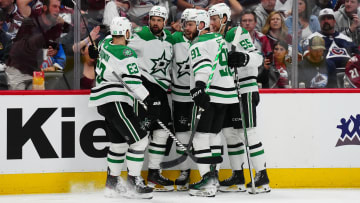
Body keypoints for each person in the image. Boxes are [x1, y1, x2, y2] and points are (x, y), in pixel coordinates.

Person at [88, 17, 157, 199]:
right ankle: (134, 183)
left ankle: (112, 184)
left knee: (118, 144)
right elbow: (133, 82)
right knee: (140, 141)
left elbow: (95, 49)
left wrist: (91, 49)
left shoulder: (104, 44)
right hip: (116, 100)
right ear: (127, 33)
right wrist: (149, 100)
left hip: (102, 102)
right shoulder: (126, 52)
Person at [186, 8, 238, 197]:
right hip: (226, 93)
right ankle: (214, 177)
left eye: (190, 24)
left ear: (201, 25)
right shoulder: (219, 39)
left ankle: (207, 181)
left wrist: (199, 87)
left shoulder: (199, 41)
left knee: (200, 137)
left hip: (210, 93)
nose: (186, 28)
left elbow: (204, 66)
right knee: (214, 135)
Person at [223, 7, 270, 194]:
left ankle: (262, 175)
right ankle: (238, 175)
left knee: (248, 132)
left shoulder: (237, 33)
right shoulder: (215, 38)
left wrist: (243, 58)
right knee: (230, 134)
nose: (211, 22)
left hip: (246, 89)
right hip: (230, 91)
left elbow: (257, 57)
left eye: (215, 18)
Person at [127, 5, 175, 191]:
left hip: (162, 89)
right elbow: (119, 43)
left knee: (162, 131)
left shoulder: (170, 39)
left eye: (159, 20)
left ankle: (154, 172)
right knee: (142, 132)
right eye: (152, 19)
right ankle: (135, 176)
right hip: (145, 87)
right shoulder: (140, 35)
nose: (155, 23)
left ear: (165, 22)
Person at [5, 0, 66, 90]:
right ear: (45, 8)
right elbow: (21, 2)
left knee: (38, 100)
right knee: (19, 102)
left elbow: (55, 47)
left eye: (58, 7)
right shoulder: (33, 16)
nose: (57, 10)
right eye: (54, 6)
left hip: (35, 70)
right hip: (17, 68)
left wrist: (54, 50)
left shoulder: (56, 26)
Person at [170, 8, 195, 191]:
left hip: (201, 95)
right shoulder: (174, 39)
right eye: (185, 23)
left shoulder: (206, 40)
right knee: (182, 134)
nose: (187, 27)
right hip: (180, 95)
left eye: (191, 23)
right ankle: (185, 171)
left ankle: (209, 173)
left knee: (206, 134)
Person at [303, 8, 360, 87]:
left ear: (334, 21)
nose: (326, 21)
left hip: (350, 76)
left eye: (329, 18)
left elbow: (357, 56)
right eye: (323, 19)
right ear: (319, 22)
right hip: (325, 76)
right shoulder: (311, 39)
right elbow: (308, 59)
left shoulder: (346, 39)